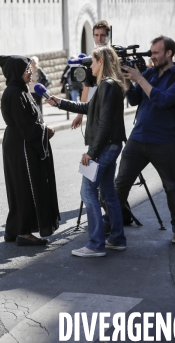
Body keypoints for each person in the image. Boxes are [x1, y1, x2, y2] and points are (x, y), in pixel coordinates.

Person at [46, 46, 128, 257]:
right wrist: (60, 102)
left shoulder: (107, 86)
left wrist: (91, 152)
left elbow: (105, 124)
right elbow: (88, 108)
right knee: (108, 192)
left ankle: (95, 244)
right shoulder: (107, 86)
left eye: (92, 61)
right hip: (110, 145)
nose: (90, 66)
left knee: (88, 191)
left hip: (105, 147)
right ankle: (117, 239)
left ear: (101, 62)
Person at [114, 36, 175, 245]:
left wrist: (140, 79)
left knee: (171, 186)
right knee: (120, 184)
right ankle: (111, 220)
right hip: (138, 139)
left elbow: (162, 100)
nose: (152, 56)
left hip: (164, 142)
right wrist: (128, 79)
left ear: (169, 54)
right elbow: (134, 99)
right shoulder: (149, 73)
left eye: (156, 53)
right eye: (151, 52)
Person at [0, 55, 60, 246]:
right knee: (25, 188)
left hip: (17, 144)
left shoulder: (18, 90)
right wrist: (45, 131)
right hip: (22, 147)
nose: (30, 72)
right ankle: (24, 233)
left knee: (18, 187)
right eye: (26, 70)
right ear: (16, 72)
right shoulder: (15, 93)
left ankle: (13, 228)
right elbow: (25, 126)